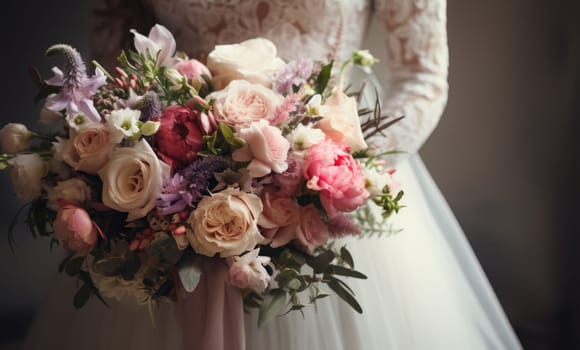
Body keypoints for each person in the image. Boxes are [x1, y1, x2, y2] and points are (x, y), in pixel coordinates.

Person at [22, 0, 523, 349]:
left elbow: (422, 78)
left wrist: (334, 171)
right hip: (164, 191)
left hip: (323, 190)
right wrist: (135, 149)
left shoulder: (329, 176)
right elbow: (118, 62)